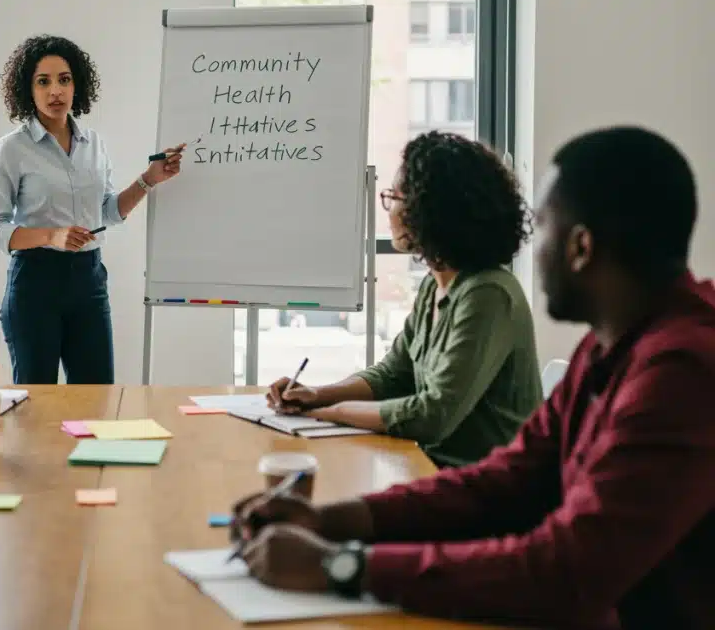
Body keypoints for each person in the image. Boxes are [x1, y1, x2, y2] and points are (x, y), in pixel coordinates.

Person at [230, 126, 715, 629]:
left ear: (580, 247)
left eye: (544, 227)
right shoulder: (611, 344)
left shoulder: (682, 372)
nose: (531, 246)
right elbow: (508, 479)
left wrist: (339, 564)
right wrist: (327, 520)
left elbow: (567, 570)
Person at [267, 131, 541, 467]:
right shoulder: (435, 284)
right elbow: (393, 374)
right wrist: (315, 395)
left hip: (489, 490)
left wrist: (330, 413)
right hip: (435, 468)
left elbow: (432, 415)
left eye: (394, 197)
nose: (389, 210)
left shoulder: (488, 294)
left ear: (427, 210)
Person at [0, 35, 185, 384]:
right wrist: (51, 235)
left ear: (78, 85)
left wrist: (149, 179)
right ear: (27, 90)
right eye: (43, 82)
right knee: (38, 405)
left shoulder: (95, 144)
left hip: (88, 282)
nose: (55, 91)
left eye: (64, 79)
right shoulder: (11, 149)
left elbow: (106, 212)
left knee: (96, 400)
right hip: (35, 285)